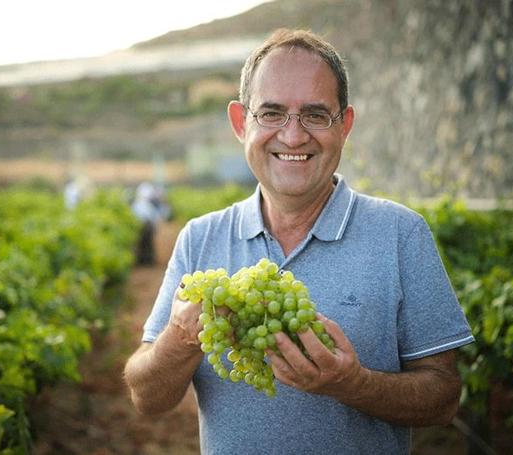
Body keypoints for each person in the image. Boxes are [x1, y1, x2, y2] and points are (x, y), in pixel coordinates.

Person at [124, 29, 474, 454]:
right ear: (240, 123)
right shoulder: (200, 238)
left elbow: (443, 398)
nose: (292, 136)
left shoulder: (402, 233)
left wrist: (353, 384)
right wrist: (180, 339)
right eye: (271, 113)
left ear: (344, 126)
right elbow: (147, 397)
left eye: (315, 114)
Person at [131, 181, 169, 265]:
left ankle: (142, 260)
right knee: (147, 245)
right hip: (147, 226)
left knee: (141, 244)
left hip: (141, 226)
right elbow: (155, 218)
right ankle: (147, 260)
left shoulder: (136, 204)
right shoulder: (148, 205)